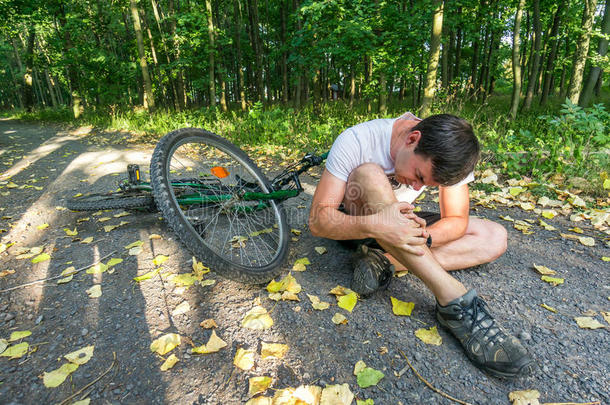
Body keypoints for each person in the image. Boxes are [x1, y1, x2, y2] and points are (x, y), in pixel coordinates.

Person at [308, 112, 534, 378]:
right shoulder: (357, 140)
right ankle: (453, 299)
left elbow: (457, 219)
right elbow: (318, 220)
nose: (416, 186)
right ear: (412, 139)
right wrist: (379, 225)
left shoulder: (454, 153)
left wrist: (423, 238)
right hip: (360, 224)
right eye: (418, 175)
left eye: (426, 184)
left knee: (495, 235)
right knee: (368, 172)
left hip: (404, 222)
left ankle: (385, 261)